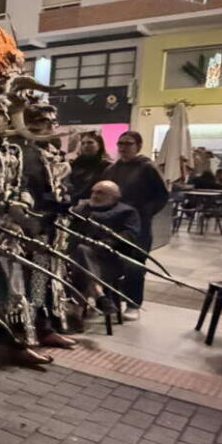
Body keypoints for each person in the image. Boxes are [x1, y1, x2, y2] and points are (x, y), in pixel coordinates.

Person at [102, 130, 169, 318]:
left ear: (138, 146)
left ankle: (133, 304)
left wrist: (144, 213)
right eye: (120, 143)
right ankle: (109, 300)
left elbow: (162, 195)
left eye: (128, 143)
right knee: (109, 260)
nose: (123, 147)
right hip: (114, 223)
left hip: (139, 225)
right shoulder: (111, 169)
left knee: (135, 264)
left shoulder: (147, 168)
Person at [69, 180, 141, 323]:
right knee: (81, 253)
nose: (94, 195)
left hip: (109, 261)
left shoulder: (126, 212)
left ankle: (76, 313)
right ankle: (99, 295)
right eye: (93, 191)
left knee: (81, 257)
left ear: (114, 196)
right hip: (80, 259)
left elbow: (130, 236)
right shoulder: (81, 210)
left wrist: (106, 243)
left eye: (100, 192)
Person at [68, 131, 112, 202]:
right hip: (73, 201)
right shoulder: (77, 162)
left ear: (99, 145)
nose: (86, 145)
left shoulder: (105, 165)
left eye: (90, 142)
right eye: (83, 143)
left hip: (94, 202)